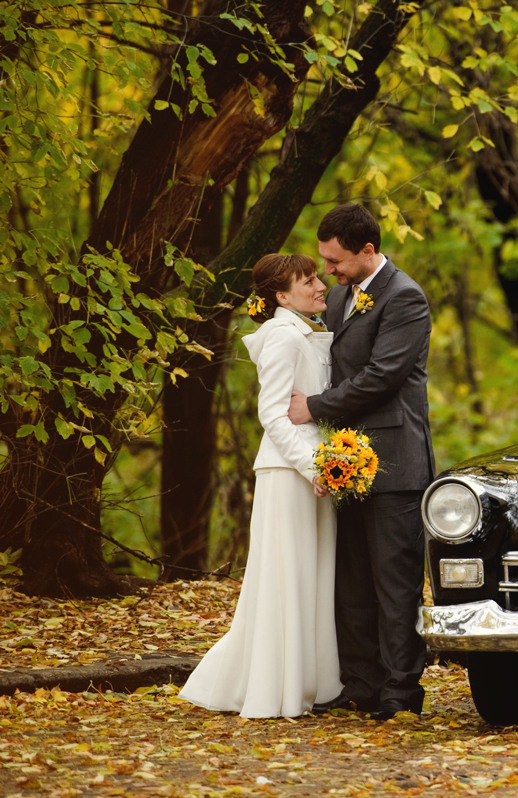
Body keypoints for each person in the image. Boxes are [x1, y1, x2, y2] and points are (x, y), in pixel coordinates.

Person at [287, 203, 435, 720]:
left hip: (395, 462)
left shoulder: (406, 298)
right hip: (343, 460)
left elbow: (382, 376)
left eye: (336, 261)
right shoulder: (339, 297)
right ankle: (361, 684)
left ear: (367, 251)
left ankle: (401, 692)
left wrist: (314, 408)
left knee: (393, 583)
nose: (328, 271)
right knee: (348, 581)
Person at [179, 253, 341, 718]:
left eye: (315, 277)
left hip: (313, 472)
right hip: (290, 473)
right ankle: (274, 687)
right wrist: (314, 468)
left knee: (310, 576)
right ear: (281, 296)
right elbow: (270, 413)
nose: (318, 285)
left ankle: (305, 683)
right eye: (307, 281)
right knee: (285, 578)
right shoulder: (284, 340)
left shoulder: (303, 333)